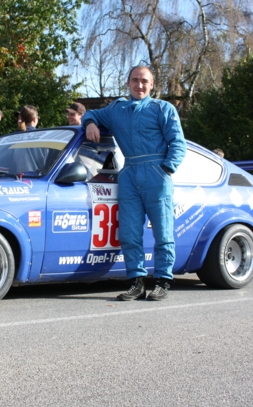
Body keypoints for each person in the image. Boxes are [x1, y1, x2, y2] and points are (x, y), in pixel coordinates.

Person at [83, 65, 187, 301]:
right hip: (129, 172)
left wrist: (166, 168)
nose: (140, 85)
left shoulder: (163, 108)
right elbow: (92, 114)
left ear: (152, 85)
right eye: (135, 80)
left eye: (144, 81)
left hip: (157, 173)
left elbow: (178, 143)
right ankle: (136, 283)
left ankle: (162, 281)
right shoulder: (116, 109)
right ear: (128, 83)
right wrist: (89, 123)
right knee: (129, 233)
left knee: (163, 232)